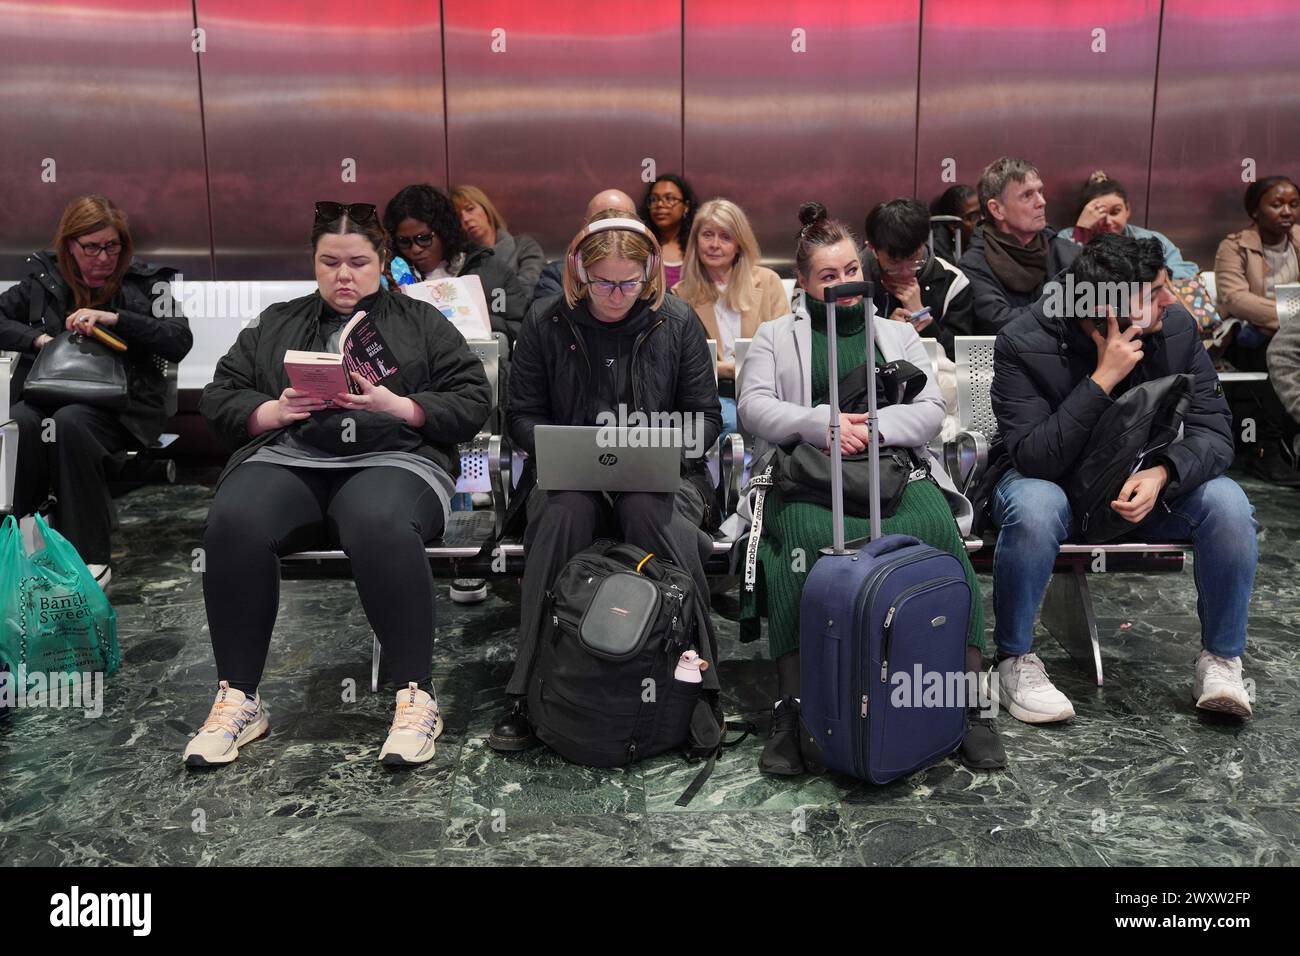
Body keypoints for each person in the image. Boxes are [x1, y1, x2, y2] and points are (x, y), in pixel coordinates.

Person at [191, 201, 492, 768]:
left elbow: (473, 400)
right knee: (234, 520)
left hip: (395, 460)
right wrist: (271, 412)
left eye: (357, 262)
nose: (343, 275)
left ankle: (414, 695)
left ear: (383, 261)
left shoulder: (422, 321)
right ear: (313, 262)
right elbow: (219, 396)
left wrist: (401, 405)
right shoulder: (278, 320)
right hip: (292, 458)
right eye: (329, 262)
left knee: (377, 520)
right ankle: (239, 697)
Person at [737, 202, 1003, 775]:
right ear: (804, 283)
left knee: (934, 531)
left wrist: (872, 429)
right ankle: (795, 712)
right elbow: (754, 407)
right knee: (802, 543)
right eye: (826, 276)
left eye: (848, 271)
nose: (842, 284)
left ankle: (968, 705)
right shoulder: (774, 336)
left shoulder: (896, 334)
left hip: (894, 468)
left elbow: (931, 409)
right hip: (807, 470)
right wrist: (820, 424)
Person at [987, 233, 1256, 723]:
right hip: (1055, 488)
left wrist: (1164, 472)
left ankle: (1220, 659)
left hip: (1143, 489)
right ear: (1112, 309)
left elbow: (1214, 433)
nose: (1170, 300)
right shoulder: (1023, 341)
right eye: (1154, 292)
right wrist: (1101, 381)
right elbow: (1035, 457)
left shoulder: (1174, 330)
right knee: (1034, 505)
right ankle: (1014, 660)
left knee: (1228, 504)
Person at [488, 212, 723, 753]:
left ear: (648, 275)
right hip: (571, 474)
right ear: (579, 274)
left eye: (628, 282)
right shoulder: (548, 324)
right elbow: (520, 415)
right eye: (603, 282)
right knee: (566, 510)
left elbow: (706, 418)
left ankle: (697, 685)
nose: (616, 295)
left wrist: (660, 441)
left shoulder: (678, 322)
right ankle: (529, 689)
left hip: (665, 475)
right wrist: (561, 441)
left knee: (647, 509)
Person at [0, 195, 192, 588]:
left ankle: (88, 555)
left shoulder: (145, 282)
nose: (103, 257)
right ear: (70, 245)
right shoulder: (43, 281)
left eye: (111, 246)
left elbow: (178, 339)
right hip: (49, 395)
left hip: (122, 406)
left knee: (70, 424)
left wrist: (117, 319)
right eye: (91, 247)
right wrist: (39, 340)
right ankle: (24, 541)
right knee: (21, 421)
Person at [671, 198, 788, 437]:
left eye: (725, 237)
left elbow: (785, 349)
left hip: (765, 389)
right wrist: (724, 370)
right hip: (711, 394)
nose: (714, 245)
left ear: (739, 243)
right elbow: (678, 362)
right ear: (695, 240)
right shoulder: (679, 294)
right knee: (728, 423)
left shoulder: (768, 282)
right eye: (707, 235)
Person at [1217, 176, 1300, 484]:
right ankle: (1265, 451)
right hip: (1247, 336)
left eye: (1293, 204)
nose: (1287, 212)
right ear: (1255, 211)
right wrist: (1284, 319)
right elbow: (1235, 298)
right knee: (1276, 357)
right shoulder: (1235, 245)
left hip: (1288, 332)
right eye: (1276, 204)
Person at [382, 183, 527, 344]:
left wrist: (478, 320)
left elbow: (521, 330)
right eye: (404, 242)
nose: (415, 249)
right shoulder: (391, 278)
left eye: (424, 238)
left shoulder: (491, 270)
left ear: (443, 232)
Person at [959, 157, 1079, 333]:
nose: (1041, 202)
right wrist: (1064, 310)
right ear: (997, 209)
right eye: (1027, 195)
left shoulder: (1067, 252)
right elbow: (999, 322)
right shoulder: (974, 264)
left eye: (1040, 191)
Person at [863, 197, 975, 361]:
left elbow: (964, 359)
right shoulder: (858, 282)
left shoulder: (953, 282)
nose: (905, 271)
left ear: (923, 243)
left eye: (914, 259)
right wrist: (885, 331)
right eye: (894, 263)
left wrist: (925, 322)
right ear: (872, 248)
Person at [1058, 170, 1199, 279]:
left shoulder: (1150, 238)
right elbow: (1062, 276)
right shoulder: (1066, 237)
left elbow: (1185, 271)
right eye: (1099, 213)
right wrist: (1081, 232)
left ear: (1127, 210)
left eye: (1115, 212)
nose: (1108, 221)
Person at [530, 188, 639, 305]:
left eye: (621, 224)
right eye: (601, 222)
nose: (611, 233)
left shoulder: (651, 278)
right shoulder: (556, 275)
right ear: (584, 228)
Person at [451, 184, 546, 301]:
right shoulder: (462, 262)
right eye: (458, 216)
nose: (466, 219)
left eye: (470, 209)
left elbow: (527, 290)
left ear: (486, 209)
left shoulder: (523, 246)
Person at [639, 174, 698, 290]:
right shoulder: (641, 244)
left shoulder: (697, 245)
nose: (660, 204)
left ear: (686, 206)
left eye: (669, 198)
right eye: (654, 199)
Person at [929, 184, 979, 264]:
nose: (981, 222)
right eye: (973, 217)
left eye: (984, 214)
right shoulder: (937, 254)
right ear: (952, 225)